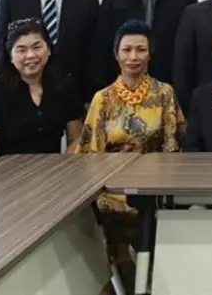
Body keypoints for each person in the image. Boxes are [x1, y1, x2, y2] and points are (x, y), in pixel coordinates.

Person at [71, 20, 184, 294]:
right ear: (116, 54)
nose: (133, 56)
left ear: (150, 53)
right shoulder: (103, 99)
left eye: (141, 49)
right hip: (113, 192)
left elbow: (173, 147)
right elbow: (90, 155)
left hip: (155, 189)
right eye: (127, 50)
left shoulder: (165, 93)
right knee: (113, 236)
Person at [0, 18, 84, 165]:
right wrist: (10, 176)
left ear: (48, 50)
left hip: (52, 172)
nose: (30, 55)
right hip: (6, 174)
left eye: (37, 47)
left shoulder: (64, 86)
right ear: (10, 56)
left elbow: (76, 139)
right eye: (21, 50)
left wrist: (63, 167)